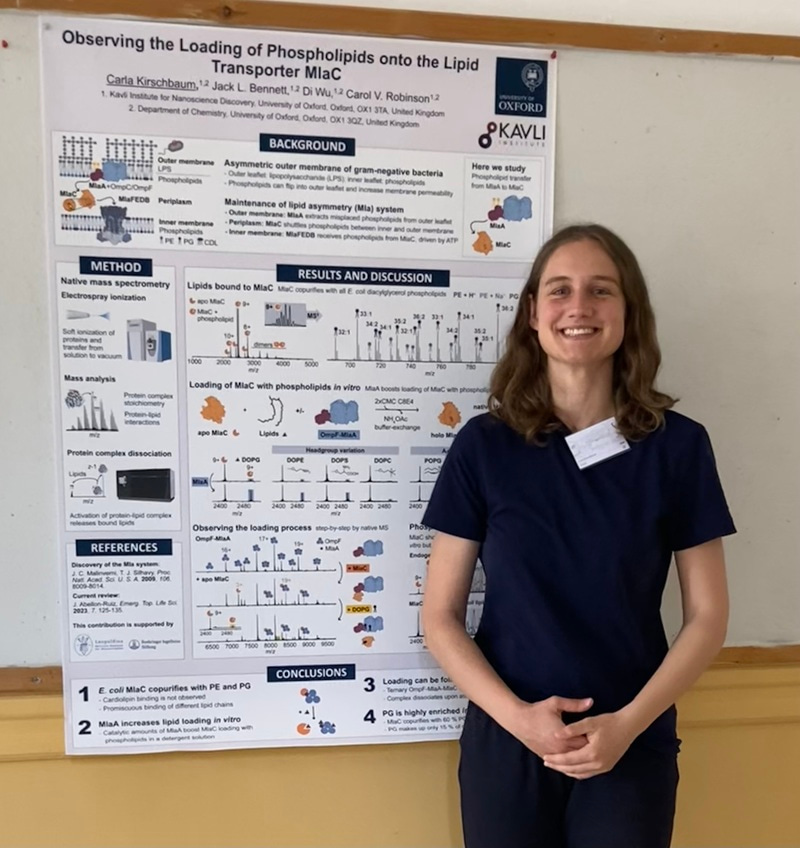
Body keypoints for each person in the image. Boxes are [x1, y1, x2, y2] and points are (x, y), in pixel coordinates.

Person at [421, 223, 735, 848]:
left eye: (601, 291)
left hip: (629, 740)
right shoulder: (483, 447)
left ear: (628, 314)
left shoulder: (678, 448)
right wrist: (519, 721)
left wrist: (626, 727)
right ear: (533, 314)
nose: (579, 308)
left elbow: (707, 616)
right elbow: (439, 616)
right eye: (559, 290)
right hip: (508, 741)